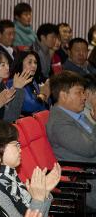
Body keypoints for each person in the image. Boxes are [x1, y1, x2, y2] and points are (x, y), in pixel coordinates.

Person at [0, 119, 60, 217]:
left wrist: (44, 192)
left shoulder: (10, 176)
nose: (20, 150)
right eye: (16, 145)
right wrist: (38, 199)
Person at [47, 71, 96, 208]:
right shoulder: (59, 123)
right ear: (63, 95)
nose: (84, 97)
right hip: (88, 181)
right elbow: (90, 149)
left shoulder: (76, 114)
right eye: (79, 92)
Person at [0, 51, 30, 122]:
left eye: (7, 64)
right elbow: (10, 116)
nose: (7, 67)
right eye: (3, 65)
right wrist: (18, 89)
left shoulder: (3, 85)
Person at [7, 51, 50, 115]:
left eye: (35, 62)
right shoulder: (12, 82)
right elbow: (29, 107)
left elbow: (45, 105)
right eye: (29, 62)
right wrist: (43, 95)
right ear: (20, 63)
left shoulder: (33, 81)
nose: (34, 65)